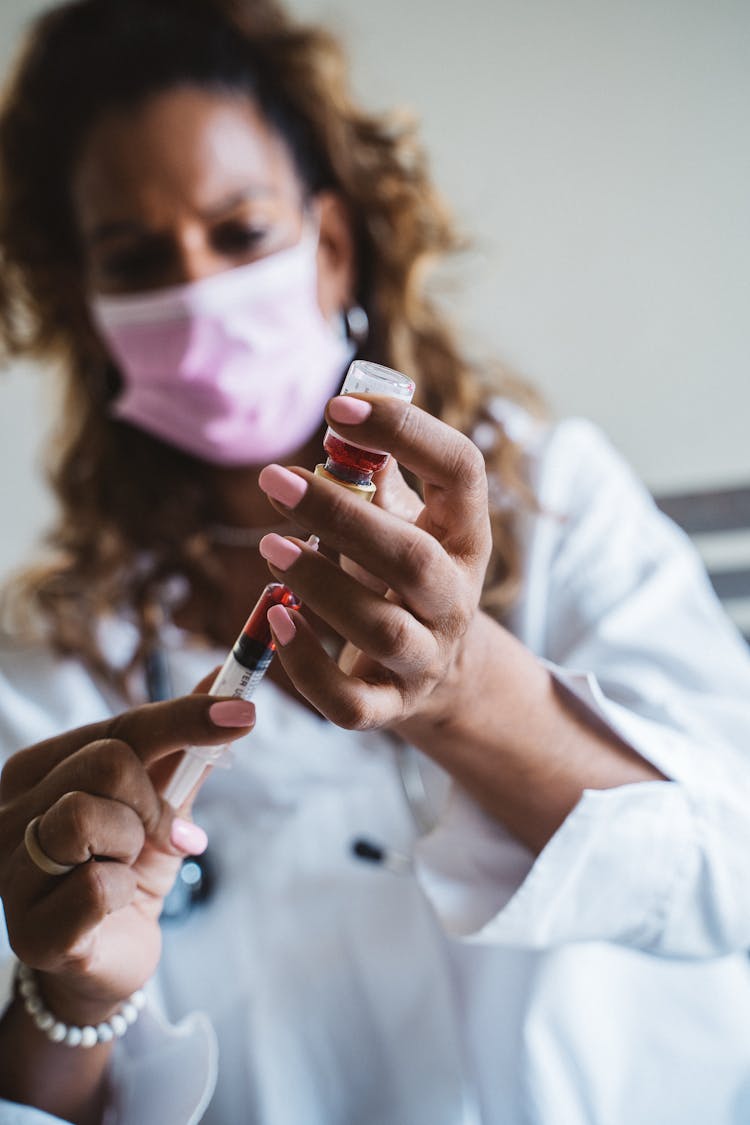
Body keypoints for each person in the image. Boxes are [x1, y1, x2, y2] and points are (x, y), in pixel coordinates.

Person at [0, 0, 749, 1122]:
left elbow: (730, 875)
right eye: (140, 260)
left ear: (331, 244)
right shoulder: (52, 663)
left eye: (242, 233)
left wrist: (463, 689)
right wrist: (70, 991)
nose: (200, 294)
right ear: (89, 307)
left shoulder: (555, 498)